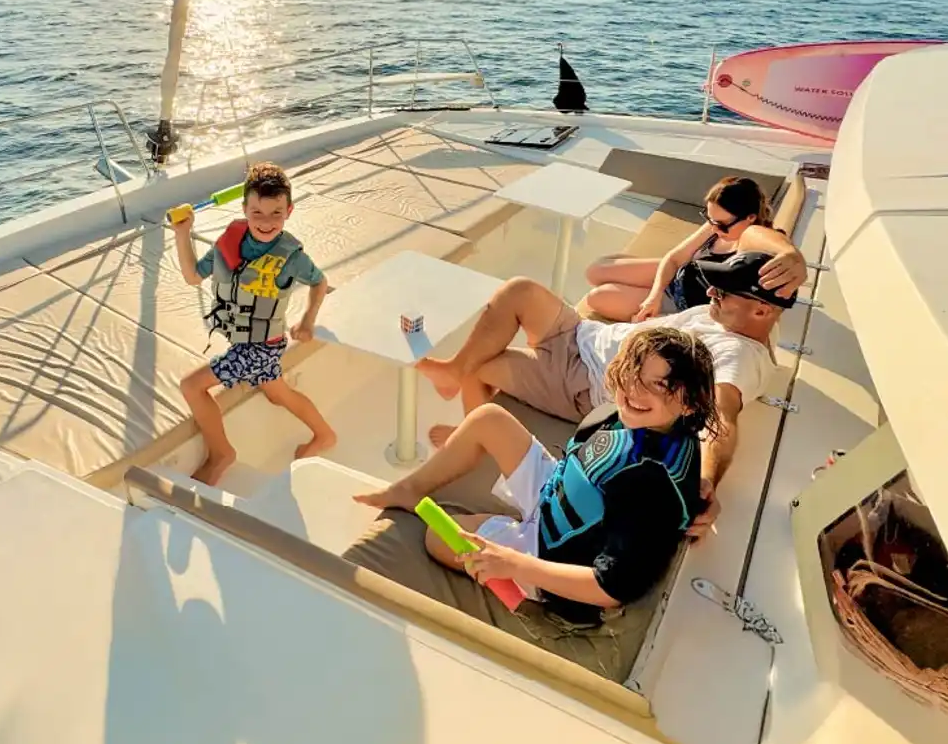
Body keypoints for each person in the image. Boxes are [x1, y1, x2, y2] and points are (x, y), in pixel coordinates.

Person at [416, 252, 793, 541]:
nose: (711, 292)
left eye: (724, 291)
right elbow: (765, 237)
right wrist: (793, 260)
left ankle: (470, 437)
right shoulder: (727, 315)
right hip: (584, 336)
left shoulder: (738, 356)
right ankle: (455, 377)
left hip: (581, 380)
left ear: (761, 309)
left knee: (482, 367)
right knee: (520, 290)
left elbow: (723, 418)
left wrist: (706, 483)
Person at [355, 327, 717, 625]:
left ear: (689, 403)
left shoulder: (650, 487)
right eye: (632, 375)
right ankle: (409, 489)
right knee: (489, 419)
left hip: (551, 558)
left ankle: (517, 559)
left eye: (659, 385)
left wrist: (515, 564)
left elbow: (611, 588)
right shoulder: (634, 417)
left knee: (439, 537)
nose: (635, 391)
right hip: (556, 496)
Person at [170, 161, 337, 486]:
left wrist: (307, 319)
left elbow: (320, 282)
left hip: (260, 346)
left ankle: (221, 454)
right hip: (253, 343)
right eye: (257, 213)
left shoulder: (291, 257)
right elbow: (192, 277)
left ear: (289, 211)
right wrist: (183, 234)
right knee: (279, 393)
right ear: (244, 209)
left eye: (276, 213)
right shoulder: (230, 241)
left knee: (192, 386)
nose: (266, 222)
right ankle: (325, 435)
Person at [583, 175, 805, 322]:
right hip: (679, 273)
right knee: (595, 270)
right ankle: (638, 283)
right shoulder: (717, 224)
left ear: (750, 218)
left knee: (597, 297)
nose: (713, 226)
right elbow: (673, 259)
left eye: (721, 223)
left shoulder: (751, 239)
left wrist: (791, 255)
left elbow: (775, 242)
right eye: (709, 218)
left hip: (684, 303)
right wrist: (655, 294)